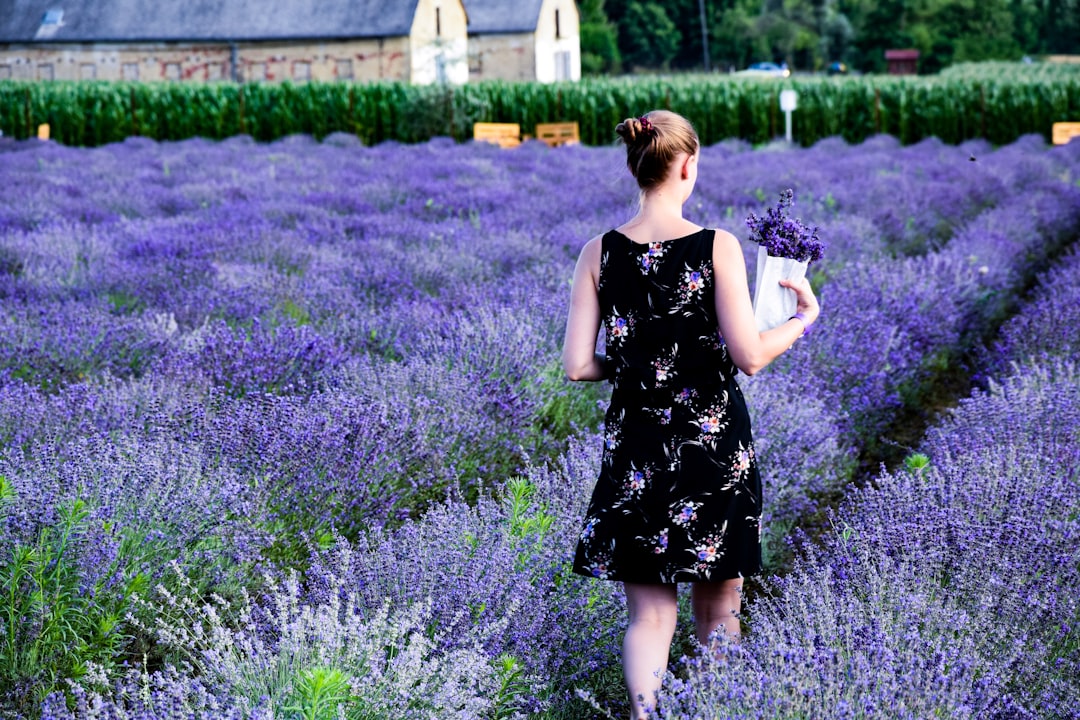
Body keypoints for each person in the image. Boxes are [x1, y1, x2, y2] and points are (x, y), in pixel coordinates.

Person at [561, 110, 819, 720]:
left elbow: (576, 365)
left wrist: (637, 368)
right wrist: (803, 318)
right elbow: (749, 356)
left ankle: (646, 716)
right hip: (713, 448)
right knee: (718, 611)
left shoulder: (598, 253)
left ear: (638, 165)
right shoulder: (716, 246)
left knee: (649, 614)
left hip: (637, 446)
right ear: (686, 165)